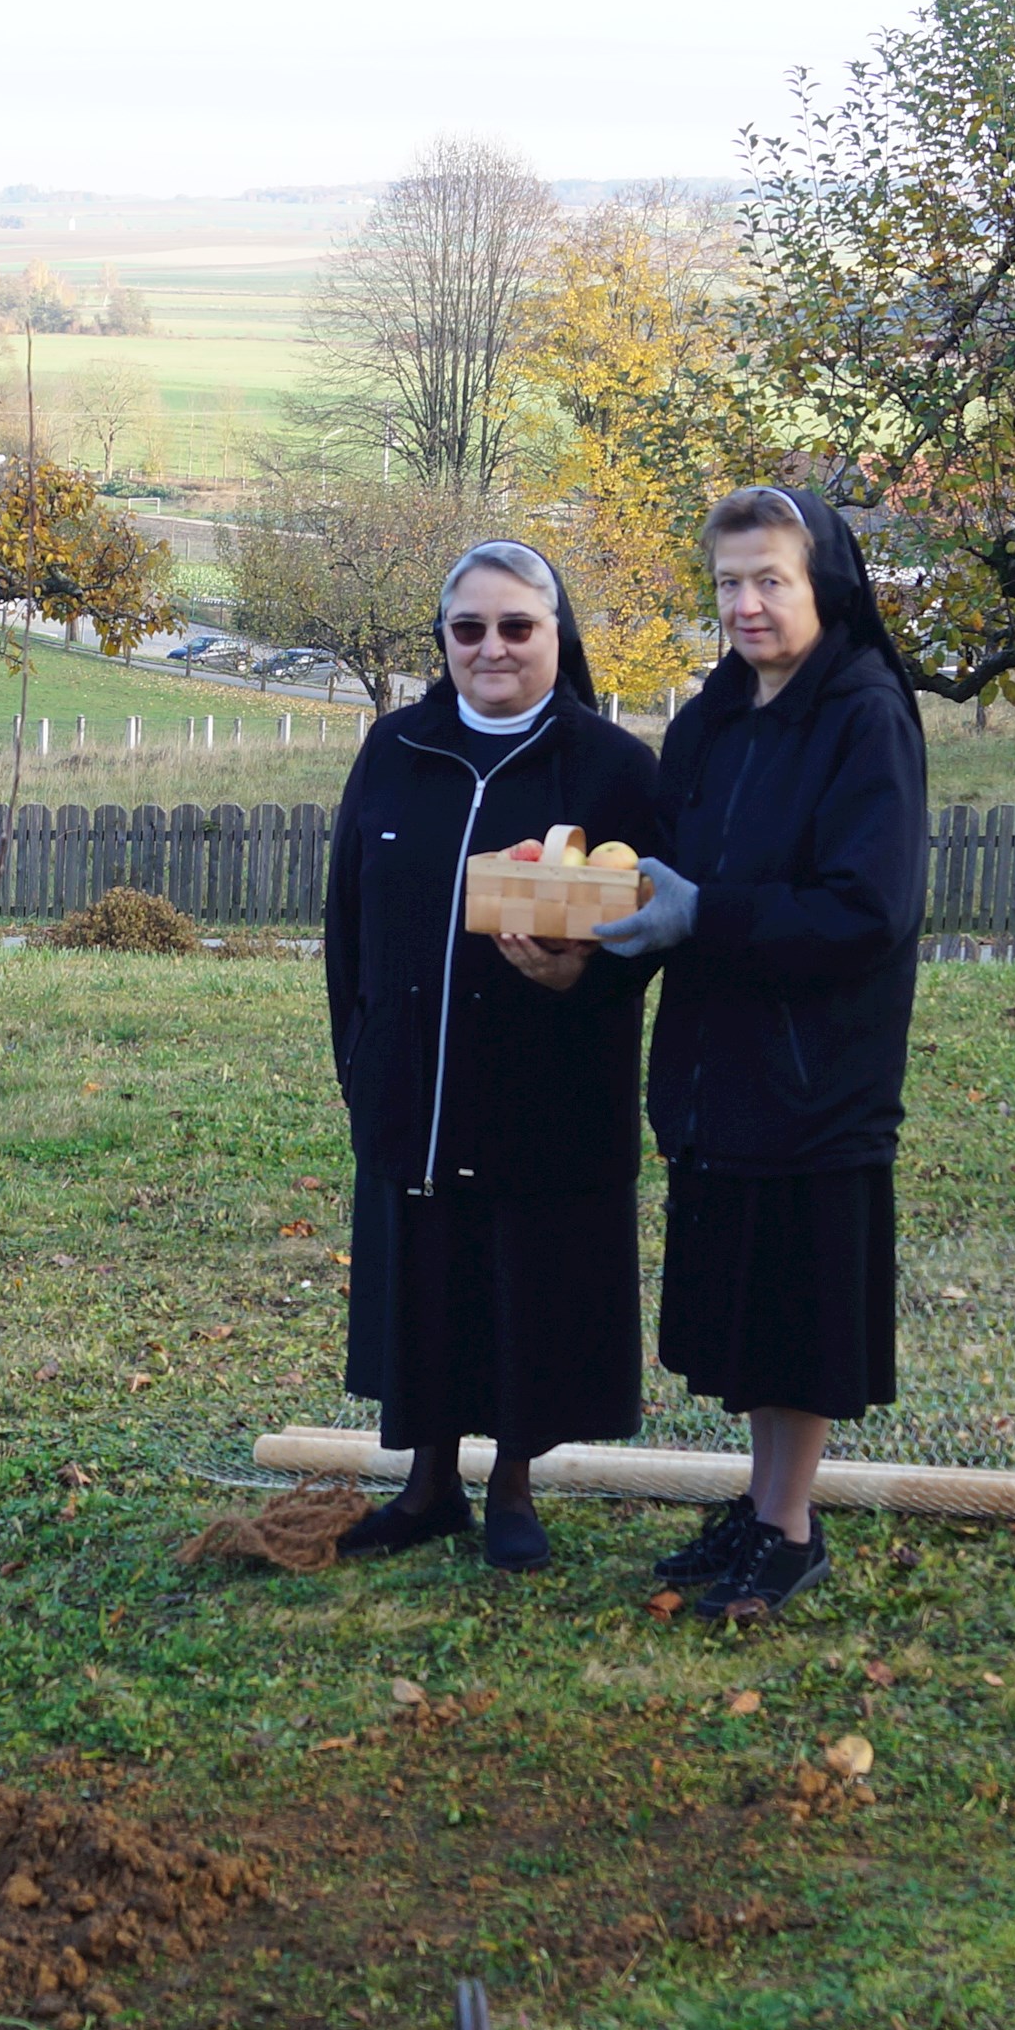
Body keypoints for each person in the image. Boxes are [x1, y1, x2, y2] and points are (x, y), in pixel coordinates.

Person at [593, 486, 927, 1620]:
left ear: (822, 583)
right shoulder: (711, 718)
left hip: (815, 1067)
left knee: (796, 1314)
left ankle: (788, 1526)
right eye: (728, 582)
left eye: (768, 579)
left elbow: (865, 910)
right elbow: (671, 874)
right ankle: (760, 1502)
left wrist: (707, 918)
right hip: (716, 1064)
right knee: (748, 1308)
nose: (744, 604)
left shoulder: (864, 713)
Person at [322, 541, 672, 1572]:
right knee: (425, 1278)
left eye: (517, 626)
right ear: (443, 642)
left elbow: (650, 935)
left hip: (548, 1083)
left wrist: (584, 979)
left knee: (526, 1279)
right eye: (468, 629)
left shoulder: (614, 771)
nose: (492, 648)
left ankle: (513, 1485)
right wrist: (360, 1058)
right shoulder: (395, 748)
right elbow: (347, 919)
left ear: (558, 635)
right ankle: (428, 1486)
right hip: (413, 1079)